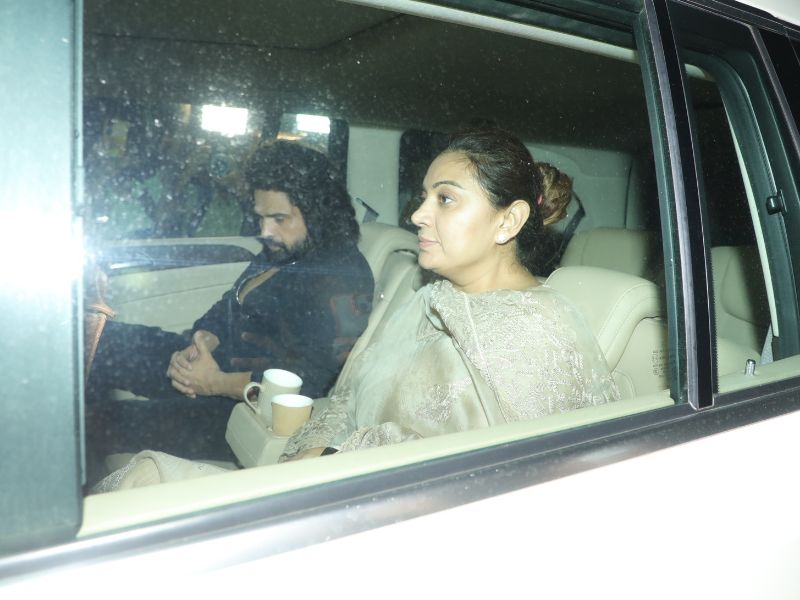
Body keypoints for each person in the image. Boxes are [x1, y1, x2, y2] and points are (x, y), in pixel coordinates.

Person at [280, 128, 619, 460]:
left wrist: (333, 457)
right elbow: (351, 400)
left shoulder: (536, 332)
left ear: (508, 221)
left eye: (445, 199)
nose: (417, 215)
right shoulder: (429, 296)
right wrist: (317, 453)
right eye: (424, 197)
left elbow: (497, 468)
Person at [86, 140, 374, 466]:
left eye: (279, 218)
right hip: (216, 364)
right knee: (97, 335)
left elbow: (309, 380)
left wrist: (213, 382)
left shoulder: (340, 277)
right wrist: (200, 342)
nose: (266, 231)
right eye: (261, 218)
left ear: (319, 213)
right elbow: (231, 302)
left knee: (102, 420)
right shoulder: (287, 249)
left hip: (240, 409)